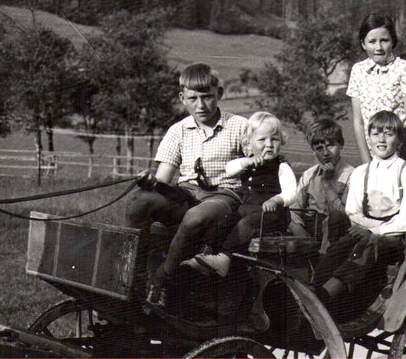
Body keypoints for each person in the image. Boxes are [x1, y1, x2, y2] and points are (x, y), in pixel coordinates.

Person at [124, 62, 248, 308]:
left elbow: (262, 166)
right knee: (140, 201)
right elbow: (163, 180)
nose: (200, 105)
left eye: (207, 97)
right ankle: (134, 277)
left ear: (219, 94)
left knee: (194, 217)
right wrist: (151, 183)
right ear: (182, 98)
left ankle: (161, 281)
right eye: (193, 98)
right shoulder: (178, 131)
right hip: (185, 194)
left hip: (224, 197)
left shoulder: (240, 127)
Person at [313, 110, 406, 317]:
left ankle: (329, 293)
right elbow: (352, 210)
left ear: (399, 140)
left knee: (370, 242)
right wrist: (364, 226)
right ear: (369, 138)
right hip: (363, 227)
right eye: (375, 134)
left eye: (388, 134)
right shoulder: (362, 172)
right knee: (341, 232)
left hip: (393, 237)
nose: (381, 139)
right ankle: (318, 282)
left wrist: (376, 229)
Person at [183, 111, 297, 277]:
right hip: (249, 209)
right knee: (224, 219)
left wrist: (276, 200)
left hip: (272, 216)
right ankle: (207, 254)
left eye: (275, 139)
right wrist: (247, 161)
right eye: (262, 139)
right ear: (249, 143)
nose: (269, 144)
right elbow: (230, 169)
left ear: (281, 141)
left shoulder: (281, 167)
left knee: (247, 224)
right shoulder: (248, 162)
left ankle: (224, 258)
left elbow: (291, 192)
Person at [347, 13, 406, 178]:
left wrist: (400, 169)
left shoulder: (405, 69)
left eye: (384, 40)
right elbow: (358, 122)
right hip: (375, 165)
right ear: (363, 44)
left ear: (393, 41)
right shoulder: (357, 71)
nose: (378, 47)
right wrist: (368, 167)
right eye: (372, 41)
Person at [288, 118, 354, 253]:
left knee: (332, 219)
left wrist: (327, 182)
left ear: (341, 144)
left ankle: (323, 259)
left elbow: (342, 214)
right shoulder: (309, 175)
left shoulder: (351, 175)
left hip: (337, 230)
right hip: (311, 227)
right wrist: (299, 231)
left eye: (330, 145)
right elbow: (295, 208)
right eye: (319, 148)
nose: (325, 153)